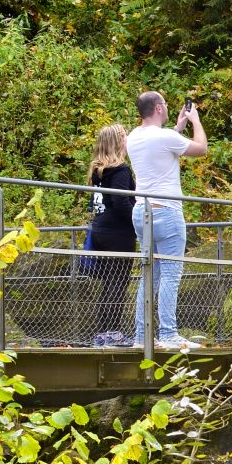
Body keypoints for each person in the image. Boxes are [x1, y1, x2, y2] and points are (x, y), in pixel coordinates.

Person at [128, 90, 208, 351]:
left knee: (148, 275)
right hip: (167, 211)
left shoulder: (134, 137)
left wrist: (178, 127)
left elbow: (162, 147)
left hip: (142, 211)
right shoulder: (165, 137)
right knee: (171, 275)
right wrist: (194, 121)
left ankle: (142, 336)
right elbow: (201, 149)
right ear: (159, 108)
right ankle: (169, 333)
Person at [83, 124, 137, 346]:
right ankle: (112, 333)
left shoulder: (98, 170)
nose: (128, 141)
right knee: (117, 283)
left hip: (100, 230)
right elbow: (121, 201)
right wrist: (139, 223)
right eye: (125, 137)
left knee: (109, 284)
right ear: (118, 142)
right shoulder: (121, 170)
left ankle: (103, 333)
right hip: (118, 233)